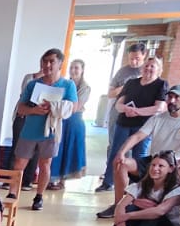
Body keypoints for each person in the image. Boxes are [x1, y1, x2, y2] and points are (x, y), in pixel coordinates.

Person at [105, 83, 180, 219]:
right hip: (155, 159)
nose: (172, 100)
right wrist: (121, 153)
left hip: (176, 161)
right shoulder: (158, 118)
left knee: (179, 169)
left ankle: (171, 209)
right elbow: (137, 136)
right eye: (170, 97)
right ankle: (118, 205)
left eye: (177, 97)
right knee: (121, 163)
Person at [10, 49, 77, 211]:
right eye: (44, 61)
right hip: (29, 130)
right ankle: (12, 194)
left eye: (51, 61)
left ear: (60, 64)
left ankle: (39, 196)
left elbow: (73, 107)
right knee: (19, 163)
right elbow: (21, 108)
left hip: (51, 131)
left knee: (45, 164)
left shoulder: (68, 85)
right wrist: (34, 110)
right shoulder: (33, 84)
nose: (47, 65)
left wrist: (54, 107)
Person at [96, 151, 180, 226]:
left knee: (153, 214)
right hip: (145, 225)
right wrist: (120, 222)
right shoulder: (142, 185)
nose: (155, 168)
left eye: (161, 166)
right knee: (131, 207)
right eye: (153, 165)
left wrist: (126, 216)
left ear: (171, 169)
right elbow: (121, 205)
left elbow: (159, 211)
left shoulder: (177, 190)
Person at [99, 49, 161, 197]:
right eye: (146, 66)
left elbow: (159, 107)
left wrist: (138, 111)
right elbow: (118, 103)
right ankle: (108, 182)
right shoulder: (132, 82)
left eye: (152, 66)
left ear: (158, 69)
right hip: (124, 122)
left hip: (144, 126)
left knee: (140, 156)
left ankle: (137, 186)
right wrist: (126, 109)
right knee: (116, 152)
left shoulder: (161, 84)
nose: (148, 69)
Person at [50, 59, 91, 190]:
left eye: (76, 68)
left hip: (74, 121)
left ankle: (63, 182)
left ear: (82, 70)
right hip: (61, 119)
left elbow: (75, 106)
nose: (73, 70)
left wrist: (61, 105)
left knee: (69, 150)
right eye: (71, 67)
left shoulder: (85, 87)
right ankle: (52, 179)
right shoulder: (65, 84)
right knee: (57, 149)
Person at [98, 42, 146, 134]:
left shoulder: (148, 72)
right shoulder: (122, 72)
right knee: (114, 138)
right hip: (118, 112)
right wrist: (126, 86)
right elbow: (110, 94)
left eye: (137, 58)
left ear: (144, 55)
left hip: (138, 115)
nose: (133, 62)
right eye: (131, 59)